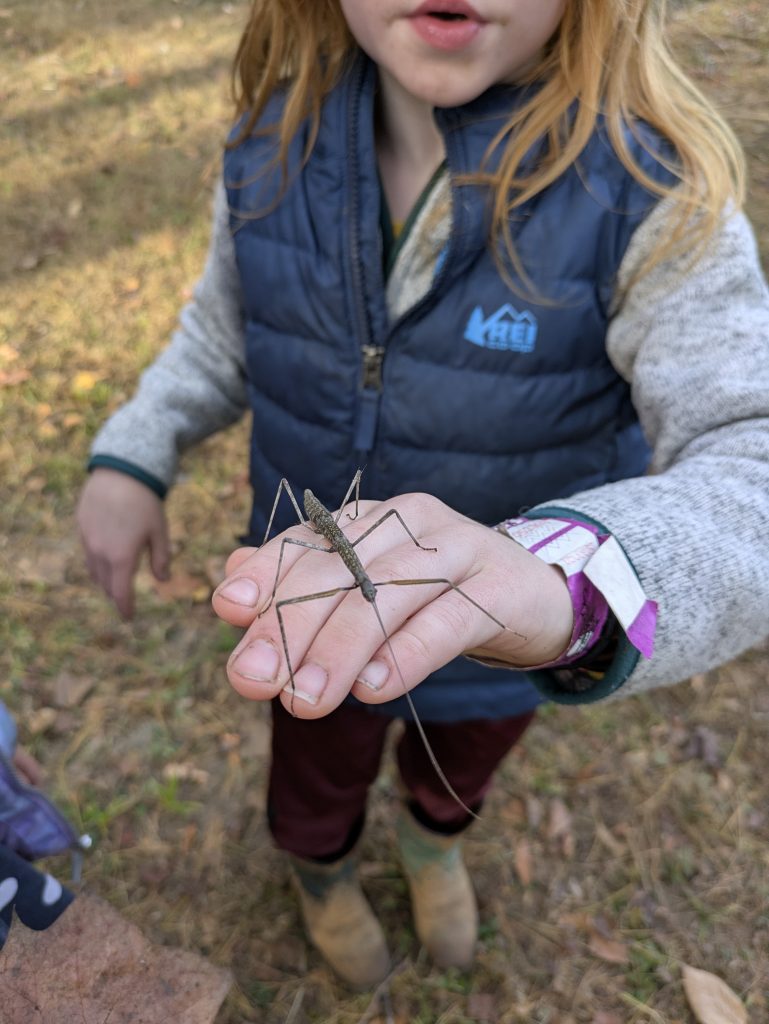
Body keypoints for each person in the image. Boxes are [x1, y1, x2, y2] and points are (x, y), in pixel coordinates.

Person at [77, 0, 769, 990]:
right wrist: (134, 451)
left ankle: (434, 840)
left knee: (463, 758)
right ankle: (320, 872)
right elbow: (223, 333)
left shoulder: (650, 196)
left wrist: (559, 584)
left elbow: (753, 452)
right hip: (317, 625)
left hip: (506, 640)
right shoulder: (271, 148)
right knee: (314, 762)